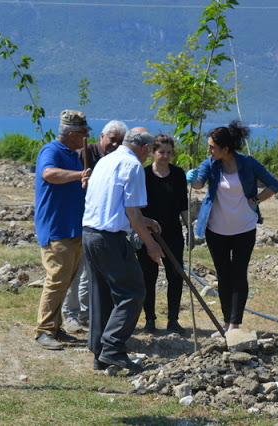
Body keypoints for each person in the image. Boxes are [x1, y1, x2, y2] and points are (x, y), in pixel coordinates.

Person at [186, 120, 278, 338]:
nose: (208, 150)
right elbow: (199, 183)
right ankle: (226, 323)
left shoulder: (248, 163)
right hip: (216, 229)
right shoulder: (210, 164)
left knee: (238, 274)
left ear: (225, 149)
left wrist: (256, 200)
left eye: (212, 147)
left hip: (244, 229)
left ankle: (235, 325)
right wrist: (192, 180)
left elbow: (274, 184)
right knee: (223, 276)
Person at [82, 129, 163, 372]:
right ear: (146, 149)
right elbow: (131, 212)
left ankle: (100, 352)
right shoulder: (133, 166)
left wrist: (144, 220)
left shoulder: (106, 160)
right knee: (133, 292)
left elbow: (115, 205)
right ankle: (113, 348)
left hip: (90, 234)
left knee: (103, 295)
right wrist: (151, 244)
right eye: (149, 152)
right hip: (109, 239)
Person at [62, 120, 128, 333]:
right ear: (102, 136)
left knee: (91, 272)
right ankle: (70, 314)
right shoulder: (83, 154)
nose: (115, 145)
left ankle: (87, 313)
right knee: (74, 270)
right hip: (78, 219)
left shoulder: (117, 160)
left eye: (120, 141)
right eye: (112, 140)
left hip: (100, 224)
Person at [34, 109, 92, 351]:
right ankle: (43, 331)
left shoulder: (72, 154)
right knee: (57, 279)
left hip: (73, 227)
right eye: (82, 133)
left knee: (66, 279)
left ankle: (55, 327)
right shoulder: (51, 151)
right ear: (71, 134)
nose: (85, 138)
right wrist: (79, 174)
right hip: (57, 227)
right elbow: (48, 174)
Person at [136, 134, 191, 334]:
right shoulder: (143, 174)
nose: (166, 156)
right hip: (149, 234)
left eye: (169, 153)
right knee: (148, 276)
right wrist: (143, 230)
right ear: (152, 152)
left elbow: (183, 204)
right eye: (161, 152)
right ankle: (149, 319)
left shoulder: (178, 174)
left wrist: (189, 229)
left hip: (173, 233)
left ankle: (173, 320)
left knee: (175, 276)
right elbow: (137, 208)